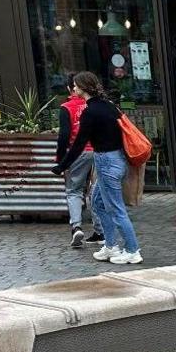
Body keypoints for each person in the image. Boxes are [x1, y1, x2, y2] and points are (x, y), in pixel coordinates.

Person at [53, 72, 141, 264]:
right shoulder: (109, 106)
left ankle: (133, 250)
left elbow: (78, 144)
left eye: (76, 86)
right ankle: (110, 246)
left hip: (107, 162)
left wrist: (62, 165)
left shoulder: (90, 112)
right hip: (115, 159)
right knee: (98, 202)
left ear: (83, 88)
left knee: (116, 209)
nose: (74, 89)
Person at [55, 86, 103, 249]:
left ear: (69, 88)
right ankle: (100, 231)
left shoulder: (66, 107)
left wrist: (61, 161)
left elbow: (64, 136)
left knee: (74, 190)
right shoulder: (94, 105)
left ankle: (76, 227)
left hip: (78, 153)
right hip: (98, 151)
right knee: (95, 191)